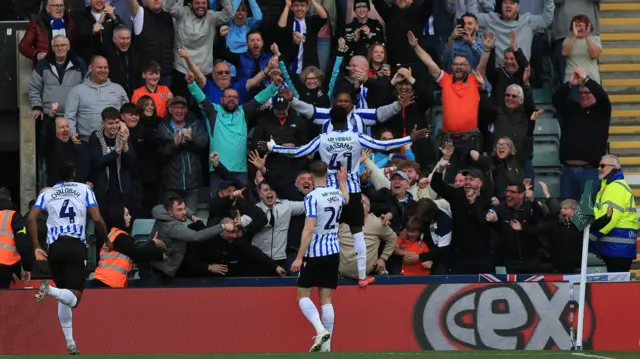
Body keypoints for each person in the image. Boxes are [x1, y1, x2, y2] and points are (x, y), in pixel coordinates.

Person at [260, 106, 429, 286]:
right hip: (352, 190)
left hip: (330, 192)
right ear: (348, 121)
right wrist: (410, 138)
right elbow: (384, 145)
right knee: (357, 233)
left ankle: (314, 271)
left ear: (330, 122)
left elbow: (298, 151)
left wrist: (274, 147)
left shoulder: (323, 139)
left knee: (322, 232)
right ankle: (362, 276)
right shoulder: (356, 137)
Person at [27, 161, 110, 355]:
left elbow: (31, 218)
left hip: (54, 247)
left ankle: (70, 343)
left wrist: (37, 247)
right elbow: (97, 219)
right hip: (75, 246)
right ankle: (50, 290)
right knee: (74, 299)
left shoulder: (46, 193)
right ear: (74, 173)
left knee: (63, 295)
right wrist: (106, 239)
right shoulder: (84, 189)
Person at [290, 161, 349, 352]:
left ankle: (320, 329)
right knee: (326, 299)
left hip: (316, 251)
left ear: (311, 176)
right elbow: (347, 199)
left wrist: (299, 257)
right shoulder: (336, 193)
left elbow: (309, 229)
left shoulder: (312, 197)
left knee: (302, 295)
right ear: (326, 174)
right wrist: (343, 182)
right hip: (334, 251)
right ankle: (327, 349)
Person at [92, 205, 166, 288]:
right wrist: (153, 244)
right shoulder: (120, 237)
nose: (130, 217)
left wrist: (160, 255)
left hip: (107, 282)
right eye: (126, 215)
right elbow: (137, 254)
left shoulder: (115, 234)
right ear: (119, 218)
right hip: (107, 283)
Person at [0, 188, 33, 289]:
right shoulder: (14, 216)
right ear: (9, 199)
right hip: (3, 266)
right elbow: (23, 244)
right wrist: (27, 267)